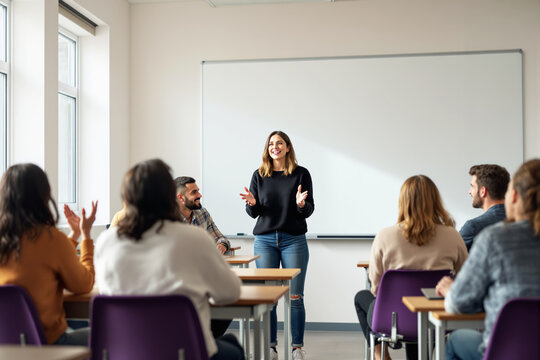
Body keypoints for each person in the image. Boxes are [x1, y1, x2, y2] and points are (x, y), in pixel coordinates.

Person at [95, 159, 244, 360]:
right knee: (233, 347)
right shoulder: (194, 237)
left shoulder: (107, 241)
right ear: (171, 196)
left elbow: (106, 291)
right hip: (185, 351)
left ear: (127, 196)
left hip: (126, 351)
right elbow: (230, 293)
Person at [354, 175, 467, 360]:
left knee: (362, 297)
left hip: (394, 319)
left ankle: (379, 352)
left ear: (402, 202)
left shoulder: (384, 236)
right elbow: (465, 278)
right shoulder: (452, 236)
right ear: (435, 201)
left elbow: (375, 286)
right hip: (437, 317)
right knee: (423, 315)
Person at [436, 159, 540, 360]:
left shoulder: (494, 238)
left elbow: (458, 304)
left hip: (506, 350)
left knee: (455, 341)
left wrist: (451, 290)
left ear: (515, 196)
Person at [0, 163, 97, 346]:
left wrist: (73, 236)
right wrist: (85, 237)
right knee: (110, 333)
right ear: (43, 197)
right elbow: (84, 284)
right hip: (47, 343)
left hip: (5, 346)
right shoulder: (51, 238)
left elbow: (41, 262)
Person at [240, 130, 314, 360]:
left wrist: (301, 204)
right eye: (271, 144)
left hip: (294, 240)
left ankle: (297, 348)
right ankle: (270, 347)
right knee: (268, 296)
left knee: (295, 297)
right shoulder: (259, 174)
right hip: (265, 241)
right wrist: (252, 204)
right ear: (267, 149)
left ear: (288, 147)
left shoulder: (301, 174)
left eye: (280, 143)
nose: (275, 147)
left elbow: (309, 209)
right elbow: (254, 213)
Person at [459, 164, 510, 251]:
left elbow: (453, 259)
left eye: (472, 186)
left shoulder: (473, 227)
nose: (469, 192)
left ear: (483, 191)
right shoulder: (525, 222)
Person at [175, 176, 230, 254]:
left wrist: (222, 245)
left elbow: (220, 238)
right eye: (194, 192)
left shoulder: (202, 213)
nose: (200, 195)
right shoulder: (167, 219)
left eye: (198, 191)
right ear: (181, 198)